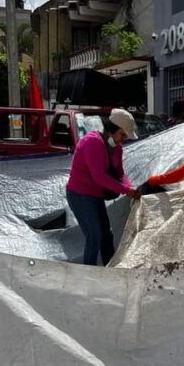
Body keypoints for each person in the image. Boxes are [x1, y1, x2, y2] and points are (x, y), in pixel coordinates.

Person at [66, 109, 141, 266]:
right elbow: (99, 177)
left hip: (95, 196)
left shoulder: (117, 149)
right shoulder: (92, 142)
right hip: (79, 195)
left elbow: (120, 174)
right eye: (122, 134)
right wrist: (127, 190)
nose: (124, 139)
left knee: (107, 235)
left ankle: (109, 269)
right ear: (112, 129)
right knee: (94, 235)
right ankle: (88, 273)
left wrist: (131, 188)